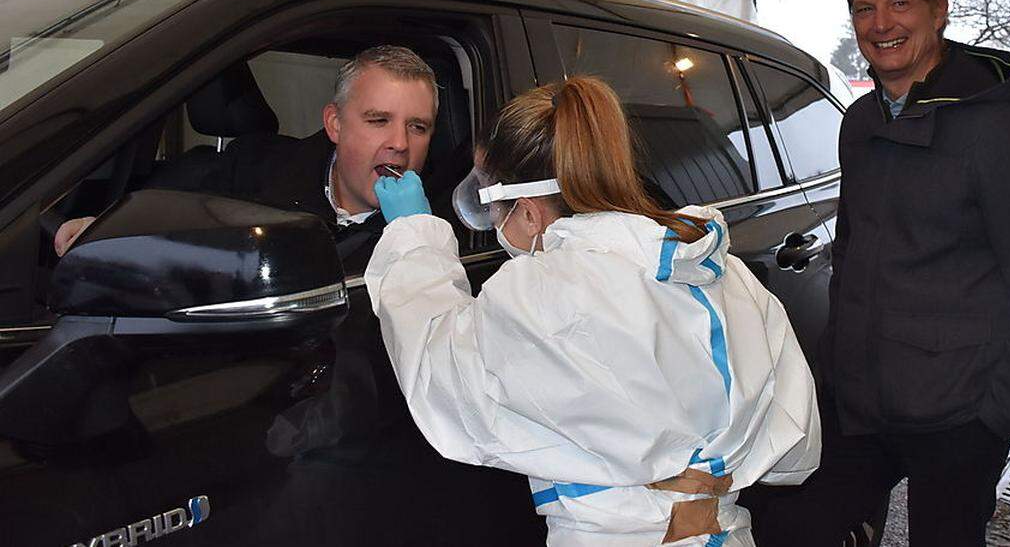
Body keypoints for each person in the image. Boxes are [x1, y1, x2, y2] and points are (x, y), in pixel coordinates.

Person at [366, 76, 822, 546]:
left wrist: (412, 233)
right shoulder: (723, 271)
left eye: (491, 206)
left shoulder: (545, 292)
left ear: (526, 211)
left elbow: (442, 378)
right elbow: (796, 451)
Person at [745, 0, 1010, 546]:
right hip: (860, 405)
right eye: (864, 8)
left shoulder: (999, 130)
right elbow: (850, 256)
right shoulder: (861, 122)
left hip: (958, 416)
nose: (881, 25)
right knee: (789, 526)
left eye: (899, 3)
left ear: (937, 9)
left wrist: (998, 417)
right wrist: (834, 369)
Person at [52, 44, 438, 266]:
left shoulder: (443, 232)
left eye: (417, 127)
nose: (400, 143)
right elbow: (168, 213)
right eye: (378, 120)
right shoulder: (256, 166)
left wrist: (416, 235)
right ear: (334, 124)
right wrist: (106, 230)